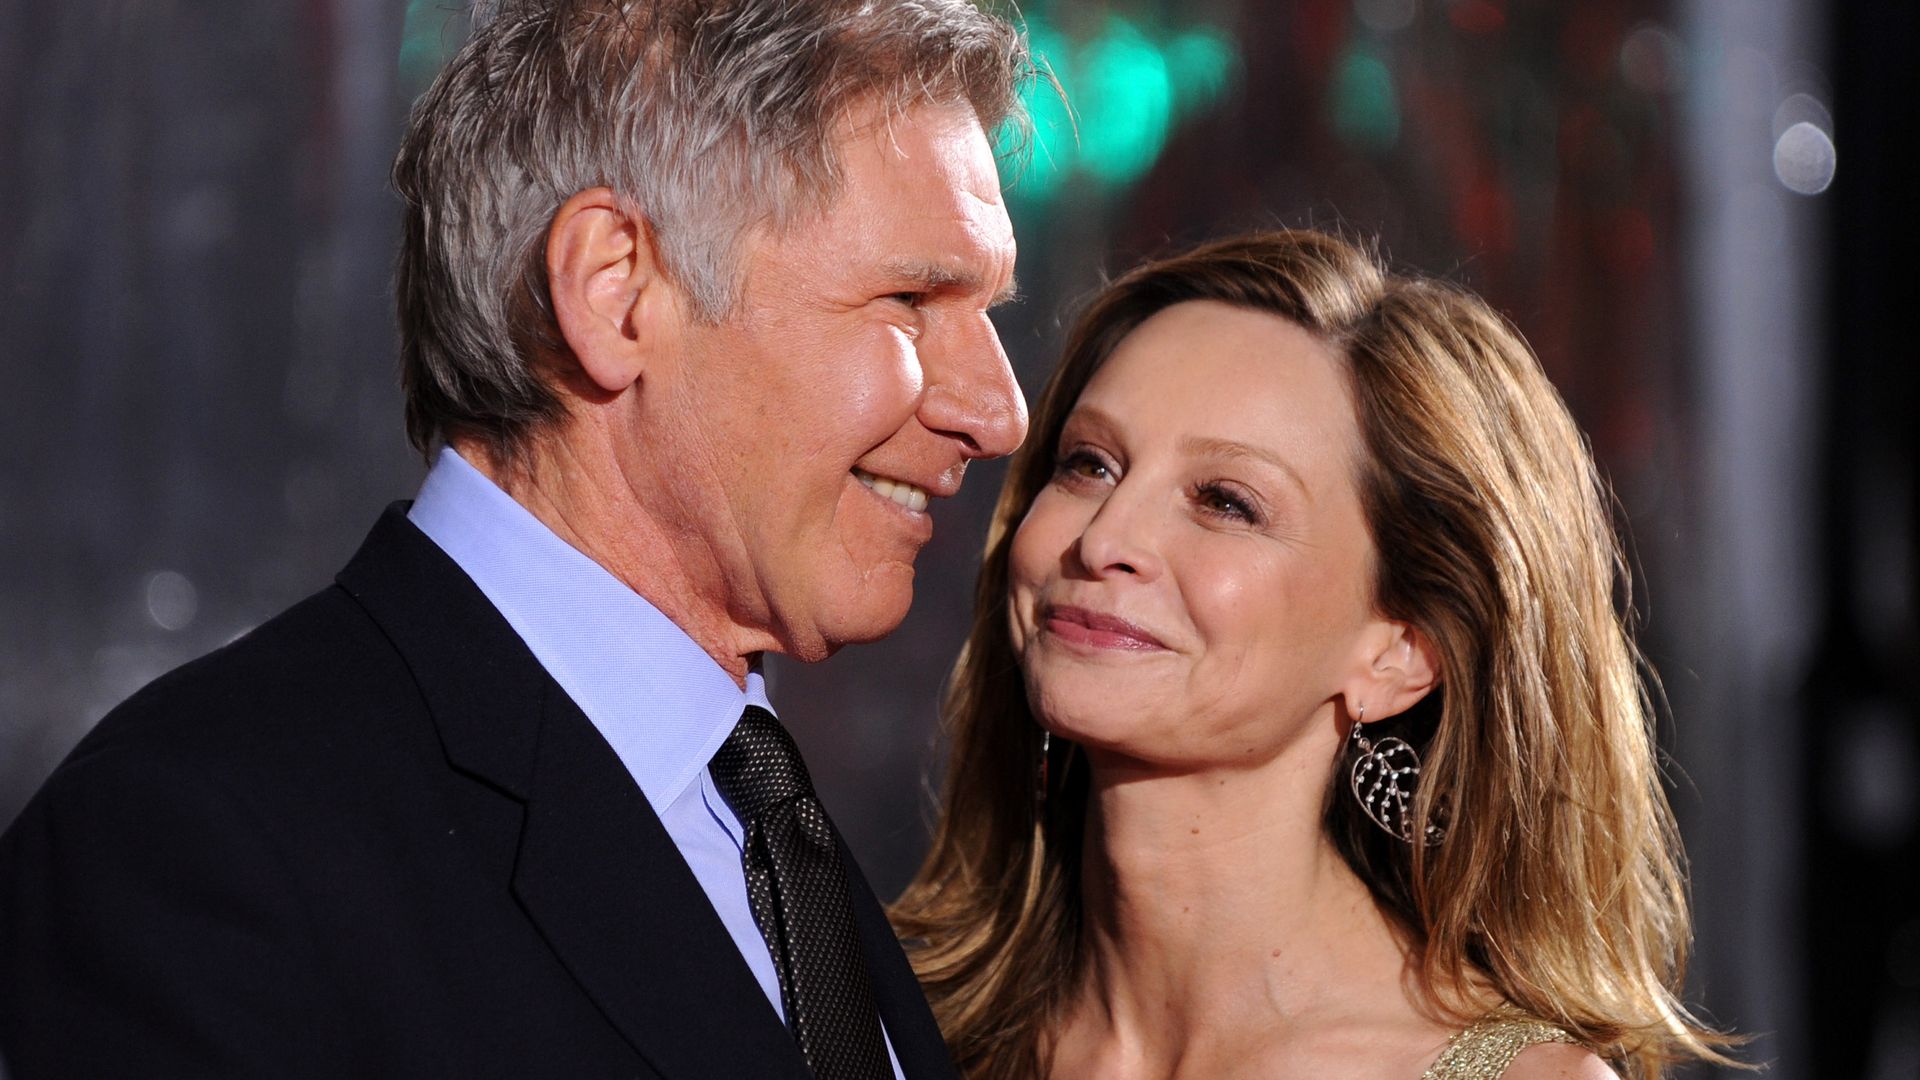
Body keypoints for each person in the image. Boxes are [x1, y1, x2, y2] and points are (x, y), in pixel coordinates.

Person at [0, 1, 1030, 1077]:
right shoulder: (199, 843)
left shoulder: (765, 818)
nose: (999, 414)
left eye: (990, 314)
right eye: (911, 299)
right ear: (615, 292)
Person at [891, 230, 1740, 1079]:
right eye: (1090, 465)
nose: (1105, 540)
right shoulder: (895, 1026)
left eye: (1226, 503)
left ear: (1399, 653)